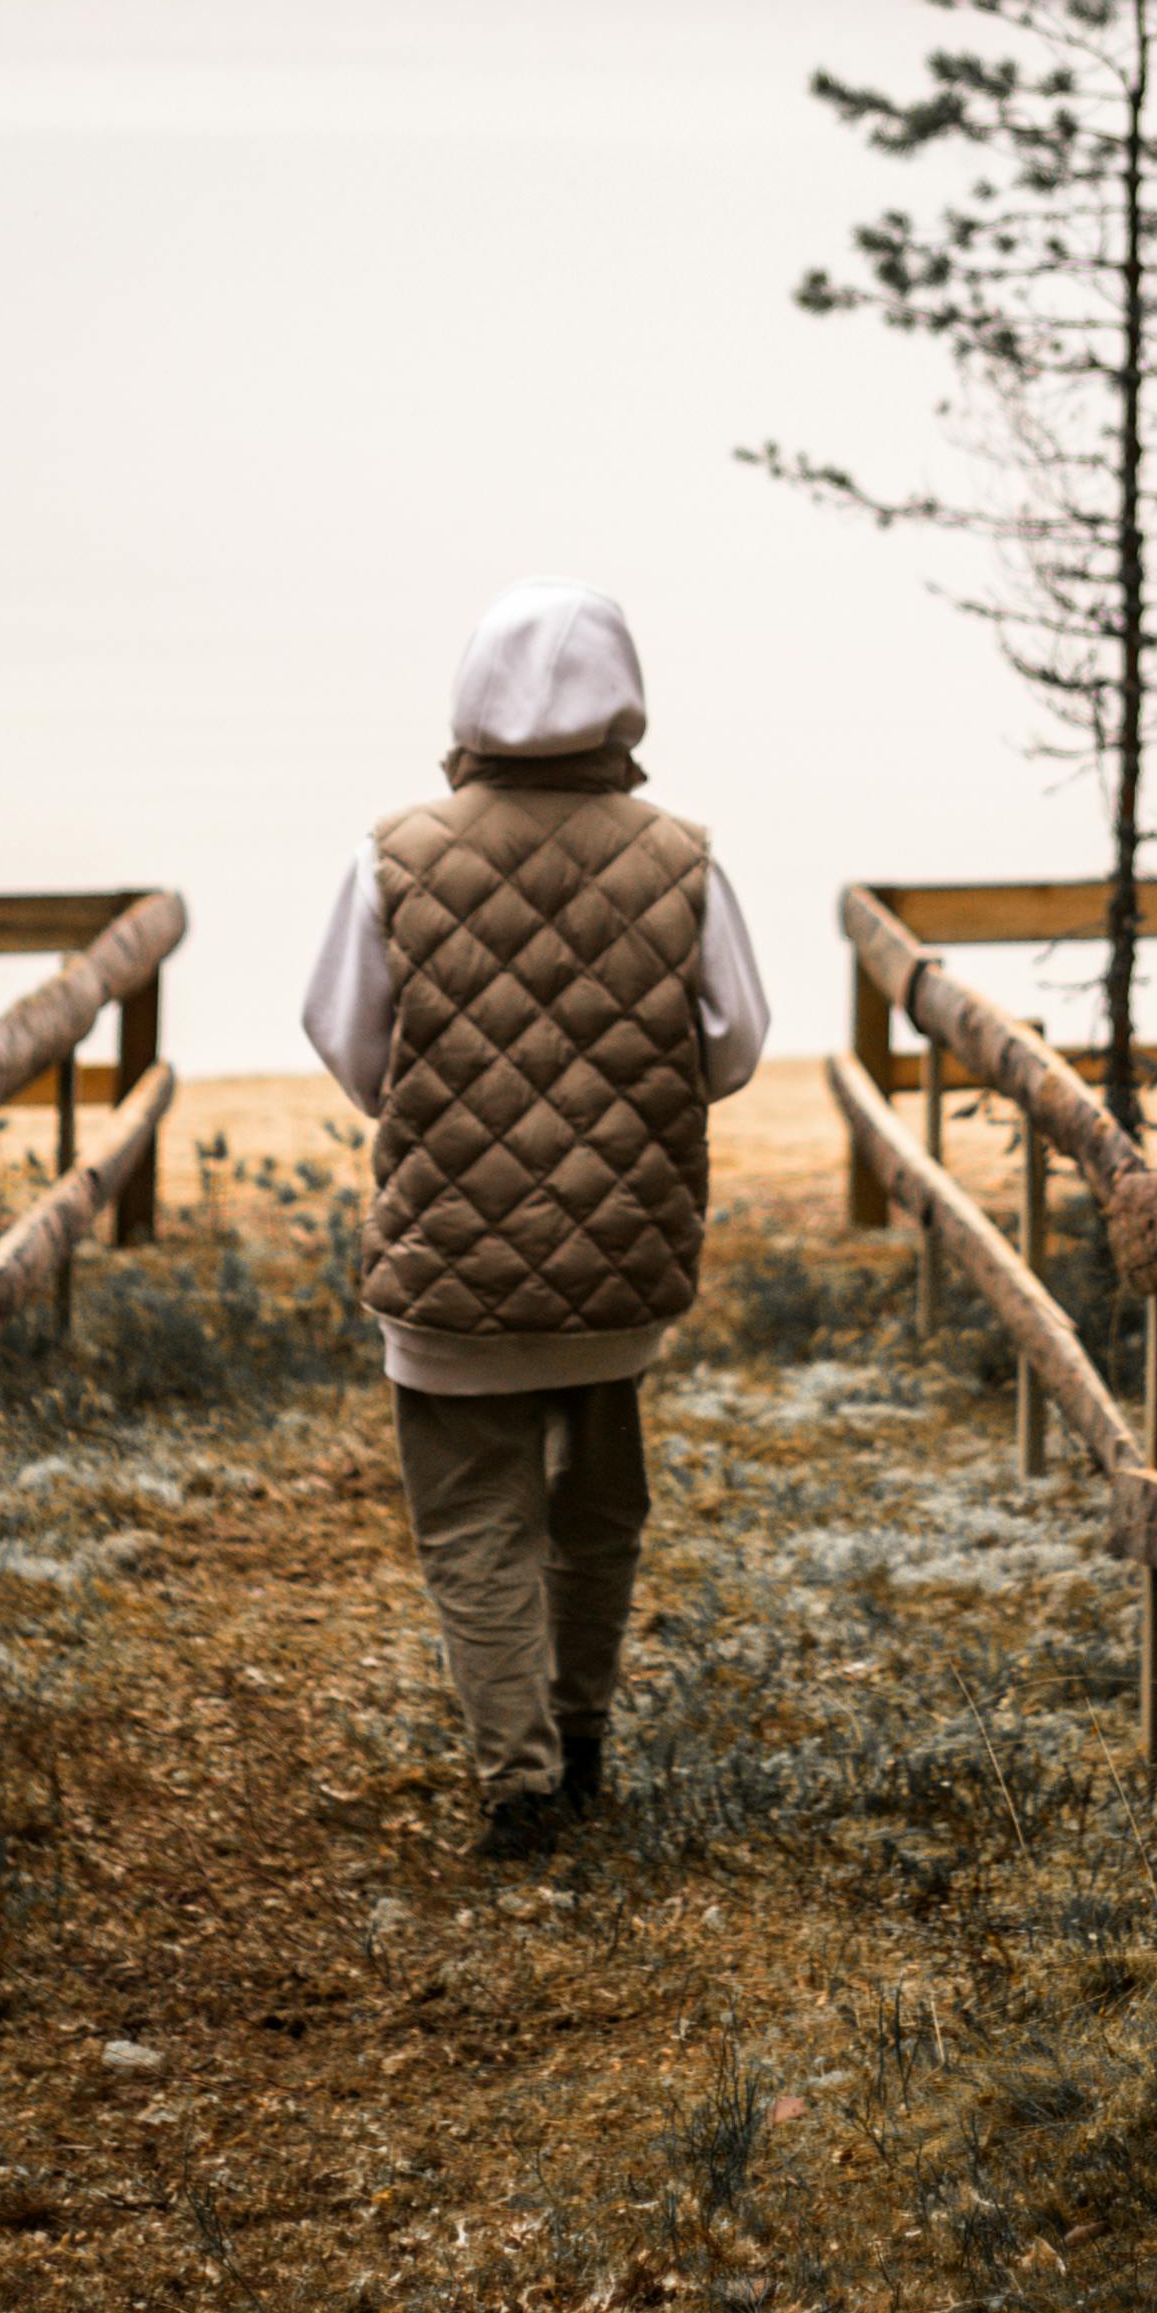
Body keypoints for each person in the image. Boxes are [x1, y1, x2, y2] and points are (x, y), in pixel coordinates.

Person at [301, 577, 767, 1861]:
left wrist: (440, 1108)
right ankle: (587, 1736)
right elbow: (734, 1047)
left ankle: (519, 1788)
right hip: (617, 1264)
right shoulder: (683, 857)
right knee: (600, 1511)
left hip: (451, 1262)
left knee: (472, 1523)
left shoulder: (393, 853)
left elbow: (349, 1044)